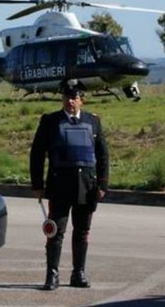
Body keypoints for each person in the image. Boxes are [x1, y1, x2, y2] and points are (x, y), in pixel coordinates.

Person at [30, 83, 109, 291]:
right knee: (55, 232)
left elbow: (102, 155)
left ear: (82, 99)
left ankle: (78, 273)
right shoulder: (50, 121)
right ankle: (52, 275)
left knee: (82, 231)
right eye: (67, 97)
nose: (70, 101)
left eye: (74, 97)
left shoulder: (93, 121)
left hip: (87, 186)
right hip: (60, 185)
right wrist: (37, 184)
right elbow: (37, 154)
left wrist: (102, 184)